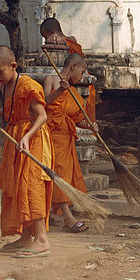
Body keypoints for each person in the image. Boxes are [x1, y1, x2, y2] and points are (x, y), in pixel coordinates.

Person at [0, 45, 53, 257]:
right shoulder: (5, 86)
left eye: (0, 71)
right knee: (17, 186)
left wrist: (26, 136)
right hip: (15, 140)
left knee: (31, 186)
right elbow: (9, 114)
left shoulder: (28, 85)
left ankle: (41, 239)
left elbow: (42, 116)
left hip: (33, 139)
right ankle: (26, 237)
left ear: (13, 66)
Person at [43, 53, 99, 232]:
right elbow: (42, 103)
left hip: (65, 139)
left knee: (64, 176)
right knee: (56, 174)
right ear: (73, 66)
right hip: (49, 136)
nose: (81, 77)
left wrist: (90, 125)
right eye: (81, 72)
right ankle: (68, 218)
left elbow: (77, 120)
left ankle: (55, 214)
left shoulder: (74, 93)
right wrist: (60, 90)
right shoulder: (51, 80)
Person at [40, 17, 96, 122]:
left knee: (86, 112)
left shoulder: (67, 43)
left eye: (46, 36)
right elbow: (44, 102)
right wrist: (61, 90)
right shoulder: (51, 79)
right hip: (53, 128)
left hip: (79, 76)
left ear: (53, 33)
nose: (47, 41)